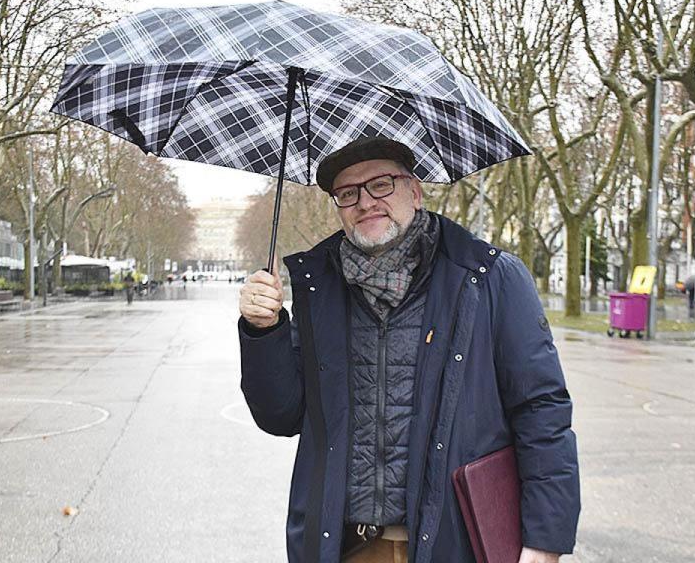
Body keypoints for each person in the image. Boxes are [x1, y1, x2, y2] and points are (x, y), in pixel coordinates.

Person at [238, 137, 580, 563]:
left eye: (381, 184)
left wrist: (545, 538)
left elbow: (541, 409)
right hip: (345, 545)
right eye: (348, 193)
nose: (365, 202)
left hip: (455, 544)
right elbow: (281, 415)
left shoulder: (489, 277)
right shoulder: (318, 287)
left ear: (415, 193)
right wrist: (263, 330)